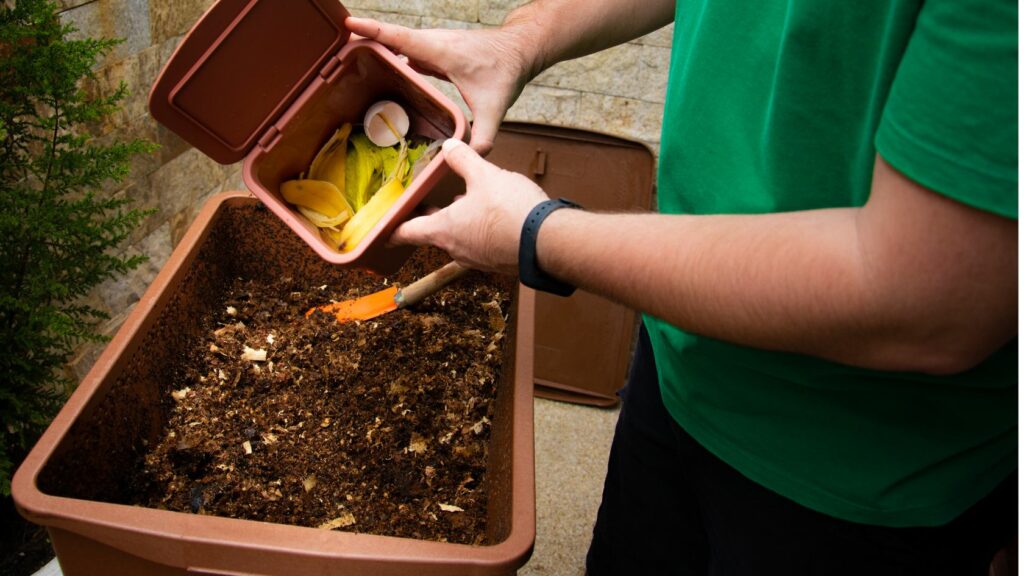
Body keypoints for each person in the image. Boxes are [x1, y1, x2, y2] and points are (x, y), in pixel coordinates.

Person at [346, 1, 1018, 574]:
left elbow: (922, 301)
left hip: (858, 480)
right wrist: (517, 40)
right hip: (679, 371)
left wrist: (539, 235)